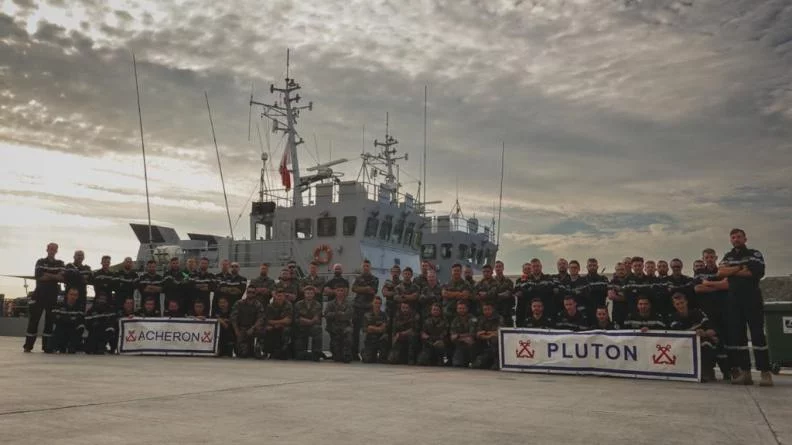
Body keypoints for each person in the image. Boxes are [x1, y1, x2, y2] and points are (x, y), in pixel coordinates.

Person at [718, 228, 772, 386]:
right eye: (733, 237)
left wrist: (732, 271)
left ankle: (765, 372)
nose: (736, 239)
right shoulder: (728, 256)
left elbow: (755, 273)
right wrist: (739, 268)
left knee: (757, 335)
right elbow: (720, 272)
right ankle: (746, 372)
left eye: (738, 237)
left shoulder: (754, 254)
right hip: (734, 300)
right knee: (738, 336)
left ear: (745, 238)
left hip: (752, 299)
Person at [695, 248, 731, 379]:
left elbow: (727, 286)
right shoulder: (699, 272)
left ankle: (727, 371)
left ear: (716, 258)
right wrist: (717, 286)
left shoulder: (721, 271)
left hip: (723, 312)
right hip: (707, 314)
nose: (709, 259)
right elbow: (698, 288)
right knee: (709, 341)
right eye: (707, 257)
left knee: (723, 342)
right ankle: (708, 370)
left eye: (711, 257)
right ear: (703, 258)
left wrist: (709, 285)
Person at [24, 242, 65, 352]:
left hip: (52, 296)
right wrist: (54, 276)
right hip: (39, 294)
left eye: (54, 249)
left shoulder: (60, 263)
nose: (52, 250)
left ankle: (47, 347)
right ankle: (28, 346)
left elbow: (62, 278)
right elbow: (39, 277)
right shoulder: (40, 262)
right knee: (34, 321)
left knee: (50, 321)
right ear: (47, 249)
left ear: (57, 251)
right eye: (50, 248)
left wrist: (48, 274)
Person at [668, 293, 719, 382]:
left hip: (700, 343)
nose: (680, 305)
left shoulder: (698, 313)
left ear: (686, 302)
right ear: (674, 305)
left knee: (707, 343)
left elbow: (713, 331)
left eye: (682, 302)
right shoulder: (673, 317)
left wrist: (705, 333)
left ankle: (707, 371)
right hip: (683, 345)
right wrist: (694, 332)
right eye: (677, 304)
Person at [351, 260, 379, 360]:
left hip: (368, 308)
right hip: (357, 307)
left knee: (368, 331)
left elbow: (373, 290)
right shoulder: (358, 278)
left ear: (370, 267)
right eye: (364, 266)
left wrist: (361, 289)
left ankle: (368, 353)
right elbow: (353, 289)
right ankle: (354, 353)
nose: (366, 267)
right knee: (355, 331)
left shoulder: (375, 279)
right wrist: (366, 289)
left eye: (367, 266)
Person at [46, 287, 85, 354]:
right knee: (50, 348)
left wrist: (65, 318)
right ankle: (57, 346)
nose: (73, 297)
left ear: (77, 297)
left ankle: (72, 346)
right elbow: (55, 318)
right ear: (67, 295)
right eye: (71, 294)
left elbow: (80, 320)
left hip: (73, 329)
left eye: (75, 295)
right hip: (61, 329)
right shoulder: (59, 306)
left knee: (81, 327)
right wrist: (70, 319)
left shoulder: (80, 307)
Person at [230, 291, 265, 358]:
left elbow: (261, 318)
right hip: (241, 328)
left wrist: (253, 328)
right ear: (246, 293)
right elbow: (233, 318)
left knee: (261, 330)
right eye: (249, 292)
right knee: (242, 354)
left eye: (252, 292)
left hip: (253, 327)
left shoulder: (258, 304)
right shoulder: (239, 303)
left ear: (255, 294)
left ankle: (258, 349)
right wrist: (236, 330)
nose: (250, 294)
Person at [324, 284, 354, 363]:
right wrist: (338, 313)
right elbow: (326, 314)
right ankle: (336, 352)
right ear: (335, 292)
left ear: (344, 292)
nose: (340, 292)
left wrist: (336, 315)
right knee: (337, 358)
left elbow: (349, 315)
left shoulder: (349, 303)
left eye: (342, 291)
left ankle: (347, 354)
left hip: (345, 326)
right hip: (334, 327)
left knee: (348, 332)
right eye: (338, 290)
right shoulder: (330, 303)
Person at [293, 285, 323, 361]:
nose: (309, 295)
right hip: (301, 327)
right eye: (307, 293)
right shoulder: (298, 304)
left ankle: (316, 352)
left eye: (311, 293)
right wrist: (308, 321)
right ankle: (301, 352)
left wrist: (309, 321)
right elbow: (297, 318)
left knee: (318, 328)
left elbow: (317, 318)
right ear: (304, 294)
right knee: (300, 357)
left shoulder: (318, 304)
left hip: (312, 327)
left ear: (314, 294)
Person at [261, 289, 293, 359]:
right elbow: (268, 320)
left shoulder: (288, 305)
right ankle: (266, 351)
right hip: (273, 326)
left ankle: (282, 351)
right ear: (275, 296)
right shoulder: (270, 306)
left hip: (284, 326)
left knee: (286, 330)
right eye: (278, 296)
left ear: (284, 297)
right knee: (267, 329)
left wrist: (277, 323)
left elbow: (288, 321)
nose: (279, 297)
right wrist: (278, 322)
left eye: (281, 296)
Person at [472, 302, 501, 370]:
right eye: (485, 309)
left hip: (495, 342)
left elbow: (499, 332)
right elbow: (478, 333)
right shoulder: (480, 319)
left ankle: (496, 362)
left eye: (488, 309)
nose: (487, 311)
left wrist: (486, 333)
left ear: (493, 309)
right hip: (484, 342)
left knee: (494, 339)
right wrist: (488, 335)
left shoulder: (499, 318)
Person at [361, 296, 388, 364]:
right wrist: (378, 329)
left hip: (380, 340)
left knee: (382, 361)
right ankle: (364, 352)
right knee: (367, 360)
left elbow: (383, 329)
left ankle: (381, 355)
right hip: (370, 340)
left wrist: (372, 328)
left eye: (379, 303)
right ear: (372, 303)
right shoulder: (366, 315)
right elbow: (365, 329)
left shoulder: (384, 315)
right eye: (375, 303)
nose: (377, 305)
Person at [449, 301, 476, 368]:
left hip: (473, 345)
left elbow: (472, 334)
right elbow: (452, 337)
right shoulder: (455, 320)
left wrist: (458, 336)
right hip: (460, 344)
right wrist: (462, 337)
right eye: (459, 308)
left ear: (467, 309)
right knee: (457, 364)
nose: (461, 310)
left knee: (470, 342)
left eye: (463, 308)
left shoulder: (473, 318)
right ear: (457, 309)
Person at [381, 265, 402, 342]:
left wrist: (391, 293)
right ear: (391, 272)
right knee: (387, 330)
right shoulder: (387, 282)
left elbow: (401, 297)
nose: (395, 273)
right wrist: (396, 293)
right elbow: (384, 293)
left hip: (398, 311)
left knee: (396, 330)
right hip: (388, 310)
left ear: (400, 273)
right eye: (393, 272)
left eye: (397, 272)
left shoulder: (402, 283)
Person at [493, 260, 515, 327]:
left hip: (506, 311)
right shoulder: (491, 281)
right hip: (494, 311)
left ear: (503, 268)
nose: (498, 268)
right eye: (496, 267)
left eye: (500, 267)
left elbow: (508, 294)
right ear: (494, 269)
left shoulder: (508, 281)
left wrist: (495, 295)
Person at [607, 262, 630, 327]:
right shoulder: (612, 282)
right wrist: (626, 297)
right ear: (616, 271)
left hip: (629, 312)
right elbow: (611, 296)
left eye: (622, 269)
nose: (620, 271)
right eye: (618, 270)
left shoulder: (630, 281)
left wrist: (617, 296)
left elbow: (632, 296)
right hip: (617, 313)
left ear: (626, 270)